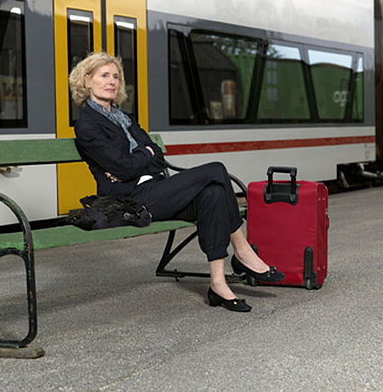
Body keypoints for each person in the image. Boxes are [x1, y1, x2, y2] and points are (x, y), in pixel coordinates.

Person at [70, 52, 284, 312]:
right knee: (216, 169)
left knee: (213, 193)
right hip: (130, 198)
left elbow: (157, 156)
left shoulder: (124, 118)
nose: (112, 81)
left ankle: (218, 284)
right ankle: (243, 250)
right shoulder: (87, 125)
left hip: (156, 189)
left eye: (116, 76)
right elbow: (124, 168)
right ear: (86, 80)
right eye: (104, 76)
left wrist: (140, 157)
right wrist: (141, 156)